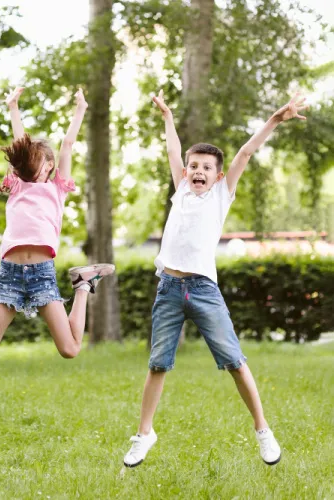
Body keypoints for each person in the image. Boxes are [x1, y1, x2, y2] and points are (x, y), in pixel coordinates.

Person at [122, 90, 308, 468]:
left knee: (235, 361)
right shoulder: (181, 192)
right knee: (158, 363)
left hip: (204, 290)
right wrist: (168, 118)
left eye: (206, 167)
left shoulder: (221, 195)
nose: (198, 172)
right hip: (170, 289)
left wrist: (274, 119)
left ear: (219, 175)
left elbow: (245, 153)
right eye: (194, 166)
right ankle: (144, 433)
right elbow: (173, 151)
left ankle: (262, 430)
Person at [0, 86, 115, 361]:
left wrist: (80, 110)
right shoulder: (17, 186)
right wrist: (13, 108)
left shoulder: (57, 188)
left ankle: (83, 285)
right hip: (9, 274)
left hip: (42, 275)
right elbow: (20, 140)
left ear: (50, 164)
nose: (33, 164)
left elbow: (68, 145)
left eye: (39, 160)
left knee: (70, 350)